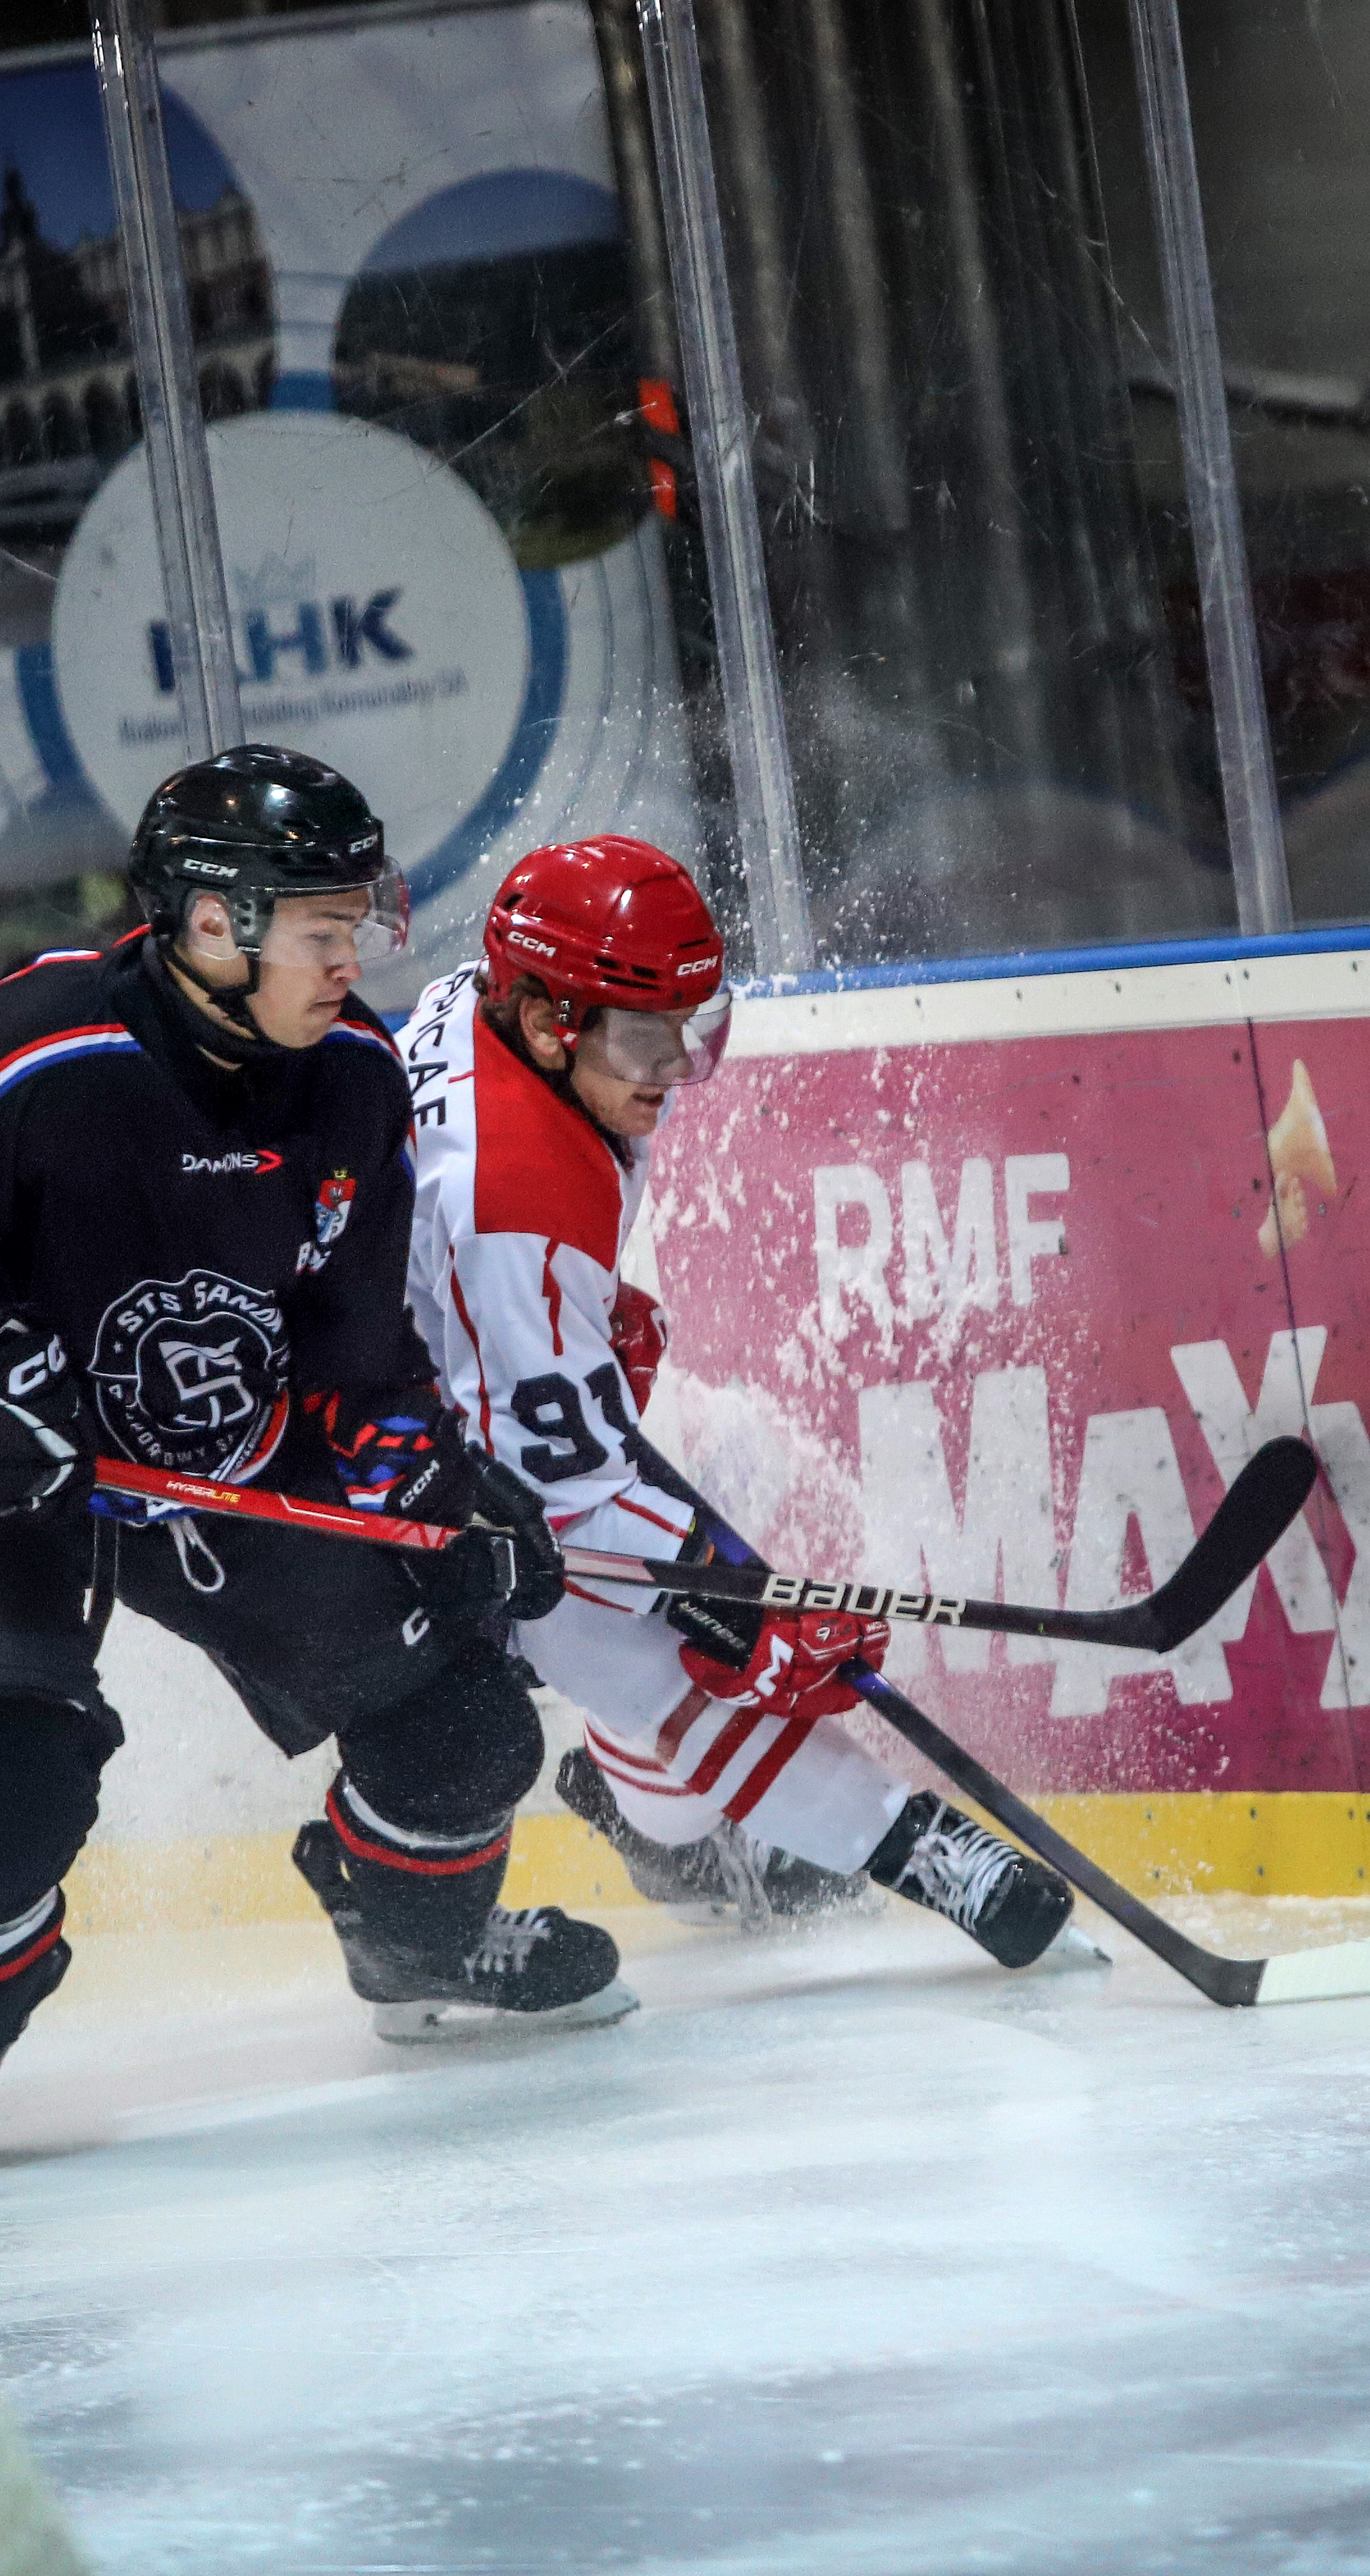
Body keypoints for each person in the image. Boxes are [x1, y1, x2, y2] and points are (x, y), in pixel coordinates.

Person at [0, 748, 633, 2161]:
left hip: (217, 1459)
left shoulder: (351, 1081)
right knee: (4, 1779)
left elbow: (354, 1354)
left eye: (357, 924)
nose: (351, 958)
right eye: (322, 928)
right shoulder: (47, 1042)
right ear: (215, 923)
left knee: (464, 1723)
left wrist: (435, 1485)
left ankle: (413, 1949)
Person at [399, 834, 1097, 1970]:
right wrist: (740, 1605)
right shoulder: (512, 1194)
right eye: (646, 1038)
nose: (676, 1067)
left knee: (711, 1512)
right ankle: (924, 1851)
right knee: (627, 1631)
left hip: (451, 1404)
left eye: (697, 1027)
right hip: (395, 1471)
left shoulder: (491, 1013)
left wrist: (568, 1331)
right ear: (545, 1021)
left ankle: (659, 1820)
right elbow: (556, 1491)